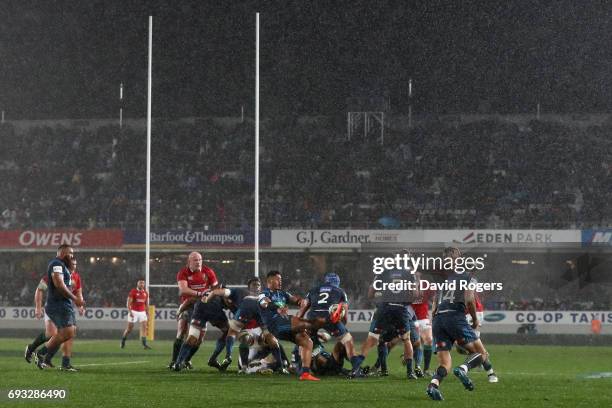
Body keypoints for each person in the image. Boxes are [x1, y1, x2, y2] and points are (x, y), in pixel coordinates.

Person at [426, 247, 498, 401]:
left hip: (439, 320)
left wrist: (434, 315)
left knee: (445, 362)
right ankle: (463, 369)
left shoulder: (445, 280)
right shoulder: (469, 277)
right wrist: (475, 319)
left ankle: (433, 386)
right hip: (455, 317)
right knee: (481, 353)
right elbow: (470, 300)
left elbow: (436, 301)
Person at [258, 270, 337, 381]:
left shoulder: (282, 294)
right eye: (278, 280)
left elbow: (295, 300)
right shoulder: (265, 293)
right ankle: (328, 323)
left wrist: (301, 302)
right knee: (310, 323)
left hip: (285, 326)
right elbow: (264, 303)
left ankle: (305, 374)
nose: (280, 282)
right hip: (275, 324)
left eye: (281, 280)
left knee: (306, 341)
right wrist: (276, 307)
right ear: (270, 280)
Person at [351, 263, 420, 380]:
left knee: (374, 339)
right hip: (401, 309)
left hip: (384, 309)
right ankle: (410, 372)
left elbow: (370, 294)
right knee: (406, 339)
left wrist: (381, 298)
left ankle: (357, 370)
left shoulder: (382, 273)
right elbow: (415, 294)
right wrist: (405, 302)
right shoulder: (409, 274)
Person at [25, 257, 84, 371]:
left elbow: (78, 292)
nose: (74, 267)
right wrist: (38, 307)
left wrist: (80, 305)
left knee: (66, 335)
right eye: (72, 264)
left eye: (75, 264)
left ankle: (60, 362)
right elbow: (39, 289)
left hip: (65, 309)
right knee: (53, 334)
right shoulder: (56, 274)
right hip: (53, 308)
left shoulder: (76, 277)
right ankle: (37, 352)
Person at [297, 272, 361, 372]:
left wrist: (299, 321)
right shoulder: (340, 291)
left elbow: (303, 308)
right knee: (347, 340)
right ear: (337, 282)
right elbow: (345, 317)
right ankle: (356, 369)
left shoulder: (313, 290)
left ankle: (303, 369)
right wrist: (340, 328)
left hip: (312, 318)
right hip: (330, 318)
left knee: (306, 343)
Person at [168, 251, 219, 369]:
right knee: (181, 332)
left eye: (200, 259)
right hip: (188, 305)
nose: (198, 262)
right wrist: (200, 293)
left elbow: (215, 288)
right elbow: (183, 290)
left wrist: (211, 296)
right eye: (195, 260)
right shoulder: (183, 272)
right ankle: (174, 361)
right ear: (189, 261)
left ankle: (186, 360)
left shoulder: (208, 271)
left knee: (199, 338)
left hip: (202, 307)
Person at [120, 280, 151, 350]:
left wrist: (147, 313)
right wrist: (130, 312)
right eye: (140, 283)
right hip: (134, 312)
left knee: (144, 328)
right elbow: (128, 303)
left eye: (143, 283)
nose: (142, 284)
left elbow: (146, 304)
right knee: (129, 329)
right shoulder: (133, 291)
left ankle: (144, 344)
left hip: (142, 312)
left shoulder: (145, 293)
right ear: (137, 284)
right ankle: (123, 341)